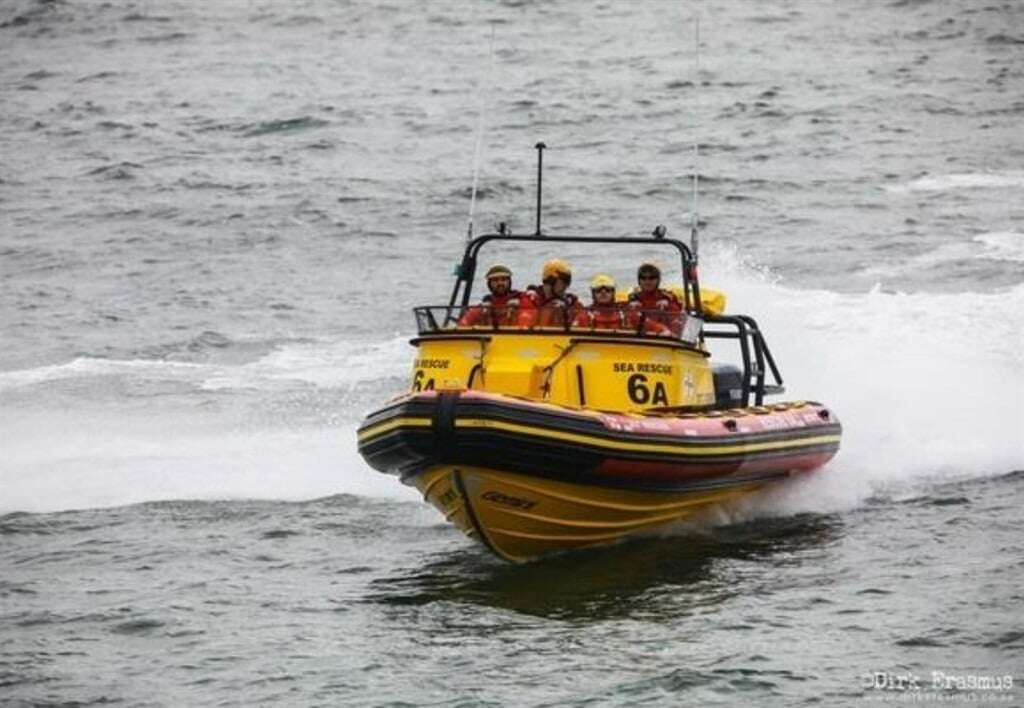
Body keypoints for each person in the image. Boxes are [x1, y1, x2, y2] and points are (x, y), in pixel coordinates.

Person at [517, 258, 581, 327]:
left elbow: (583, 319)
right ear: (551, 280)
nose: (566, 286)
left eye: (568, 281)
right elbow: (526, 326)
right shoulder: (531, 300)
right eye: (564, 281)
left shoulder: (571, 302)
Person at [628, 261, 683, 335]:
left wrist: (670, 331)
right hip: (637, 340)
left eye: (652, 278)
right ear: (639, 281)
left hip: (662, 341)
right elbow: (633, 318)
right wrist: (660, 328)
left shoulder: (667, 299)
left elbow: (677, 322)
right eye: (643, 278)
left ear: (658, 280)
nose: (647, 281)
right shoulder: (633, 300)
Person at [458, 264, 523, 327]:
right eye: (495, 280)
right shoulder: (483, 307)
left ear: (509, 282)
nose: (500, 283)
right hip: (488, 337)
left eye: (504, 279)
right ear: (489, 283)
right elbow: (463, 325)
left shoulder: (522, 300)